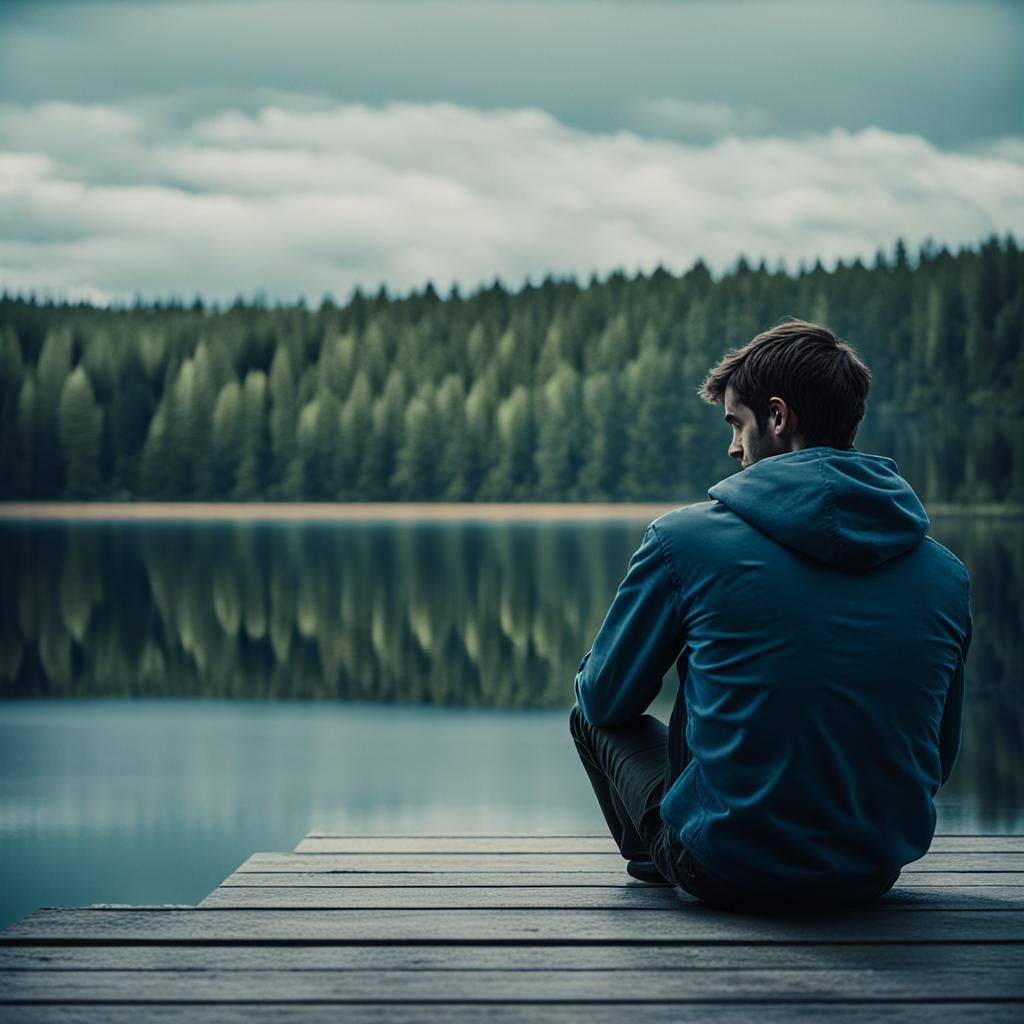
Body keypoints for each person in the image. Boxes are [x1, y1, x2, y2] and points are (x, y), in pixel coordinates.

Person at [569, 319, 972, 911]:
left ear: (777, 418)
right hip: (869, 871)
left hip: (724, 870)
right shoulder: (946, 574)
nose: (733, 447)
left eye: (736, 423)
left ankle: (665, 862)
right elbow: (937, 755)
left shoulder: (682, 541)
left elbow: (606, 701)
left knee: (590, 703)